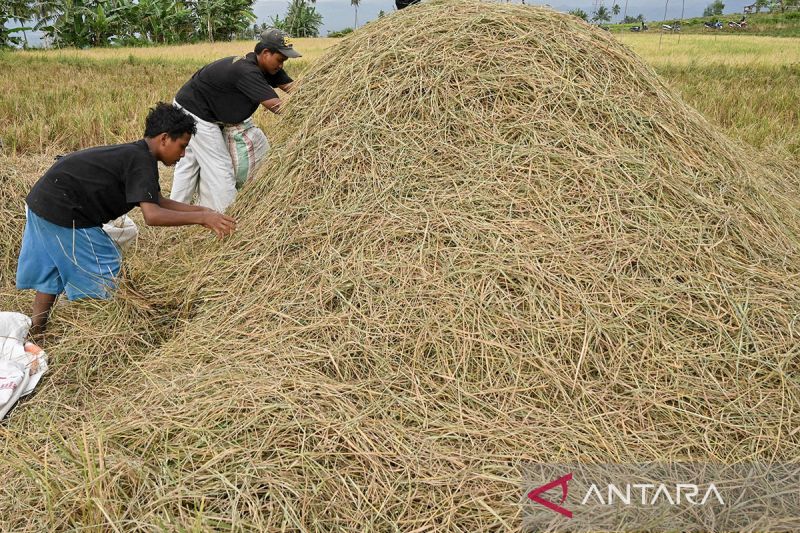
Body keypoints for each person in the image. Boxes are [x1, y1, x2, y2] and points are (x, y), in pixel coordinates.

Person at [16, 102, 236, 340]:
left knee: (54, 269)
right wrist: (202, 217)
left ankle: (36, 333)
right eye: (182, 146)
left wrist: (201, 211)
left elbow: (157, 200)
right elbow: (152, 216)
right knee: (108, 270)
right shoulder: (142, 161)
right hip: (65, 210)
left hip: (42, 202)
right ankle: (117, 337)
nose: (183, 155)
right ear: (164, 139)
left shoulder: (137, 154)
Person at [170, 28, 303, 212]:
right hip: (195, 113)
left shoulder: (267, 68)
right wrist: (310, 115)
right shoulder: (246, 71)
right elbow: (277, 106)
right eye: (280, 59)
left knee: (189, 164)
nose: (281, 65)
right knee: (221, 167)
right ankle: (227, 219)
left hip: (192, 106)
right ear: (265, 53)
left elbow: (295, 89)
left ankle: (175, 212)